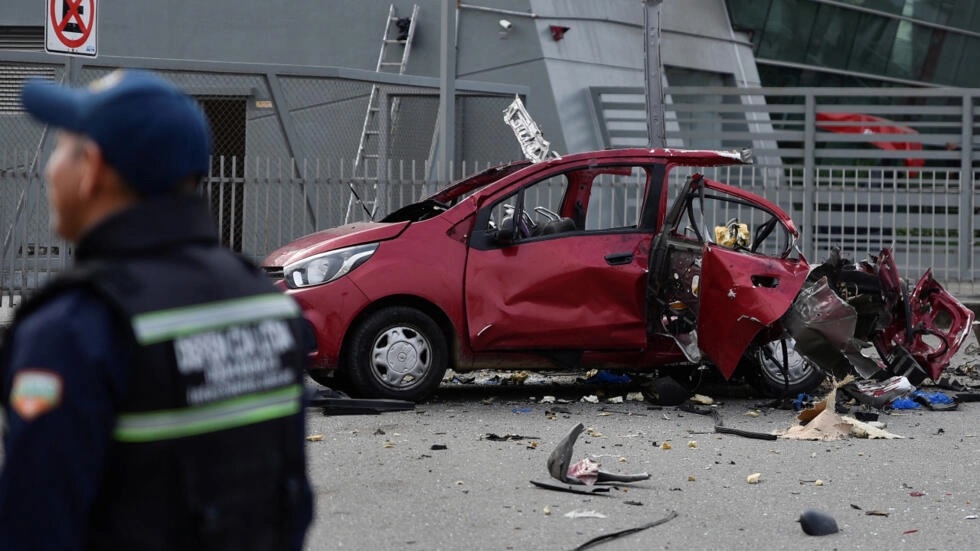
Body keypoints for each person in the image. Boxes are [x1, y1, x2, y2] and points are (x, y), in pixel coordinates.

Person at [0, 69, 313, 550]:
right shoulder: (266, 304)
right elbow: (290, 507)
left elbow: (34, 528)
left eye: (61, 148)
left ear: (93, 170)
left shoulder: (72, 329)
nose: (49, 169)